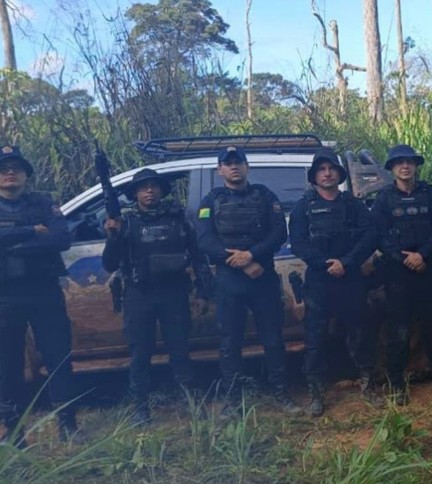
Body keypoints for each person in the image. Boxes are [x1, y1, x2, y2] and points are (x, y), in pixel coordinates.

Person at [102, 168, 213, 424]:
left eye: (154, 186)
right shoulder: (126, 222)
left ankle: (190, 402)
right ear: (135, 194)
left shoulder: (179, 219)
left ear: (162, 190)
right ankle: (140, 406)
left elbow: (198, 257)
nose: (149, 190)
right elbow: (109, 264)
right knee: (140, 352)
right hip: (139, 295)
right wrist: (113, 236)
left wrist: (203, 292)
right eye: (143, 187)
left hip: (173, 294)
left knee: (180, 349)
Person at [197, 145, 300, 415]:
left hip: (262, 278)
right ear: (220, 170)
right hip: (229, 281)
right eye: (227, 163)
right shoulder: (210, 201)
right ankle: (232, 400)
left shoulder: (264, 196)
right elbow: (204, 239)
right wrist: (241, 262)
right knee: (230, 342)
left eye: (238, 162)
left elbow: (279, 232)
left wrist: (253, 255)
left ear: (247, 167)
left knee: (273, 338)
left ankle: (280, 392)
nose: (234, 167)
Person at [0, 144, 84, 445]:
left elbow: (61, 239)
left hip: (44, 293)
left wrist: (12, 243)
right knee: (6, 364)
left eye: (16, 167)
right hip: (5, 297)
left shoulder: (43, 203)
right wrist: (31, 232)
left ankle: (68, 424)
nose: (10, 172)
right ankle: (13, 430)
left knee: (58, 357)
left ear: (26, 174)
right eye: (4, 168)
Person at [289, 149, 378, 415]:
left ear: (339, 174)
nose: (327, 173)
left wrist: (347, 262)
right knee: (315, 338)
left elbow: (370, 235)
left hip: (350, 278)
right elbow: (298, 243)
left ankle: (369, 385)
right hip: (318, 281)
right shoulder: (303, 208)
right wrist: (325, 264)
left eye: (331, 169)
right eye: (321, 169)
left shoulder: (353, 204)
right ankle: (316, 392)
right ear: (314, 176)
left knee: (360, 332)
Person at [370, 144, 432, 403]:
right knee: (398, 330)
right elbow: (379, 235)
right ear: (392, 169)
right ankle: (396, 382)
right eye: (399, 163)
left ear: (416, 166)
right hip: (398, 274)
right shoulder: (383, 199)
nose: (405, 166)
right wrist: (404, 258)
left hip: (429, 269)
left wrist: (423, 255)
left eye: (409, 162)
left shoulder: (430, 194)